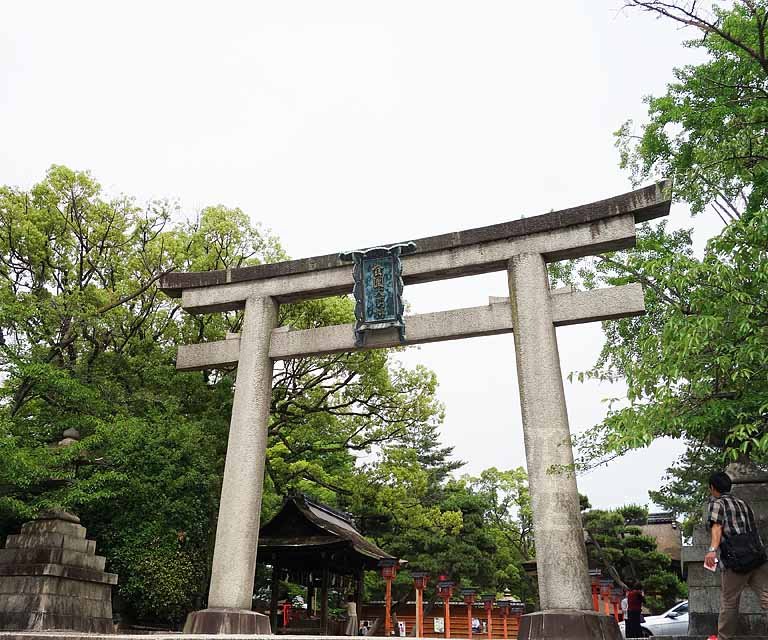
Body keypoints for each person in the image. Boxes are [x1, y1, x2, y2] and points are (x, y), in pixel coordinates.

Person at [704, 471, 768, 640]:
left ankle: (724, 638)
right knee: (766, 595)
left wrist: (712, 550)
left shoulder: (717, 504)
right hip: (756, 556)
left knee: (729, 602)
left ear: (712, 488)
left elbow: (717, 528)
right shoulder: (743, 504)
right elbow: (753, 530)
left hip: (736, 560)